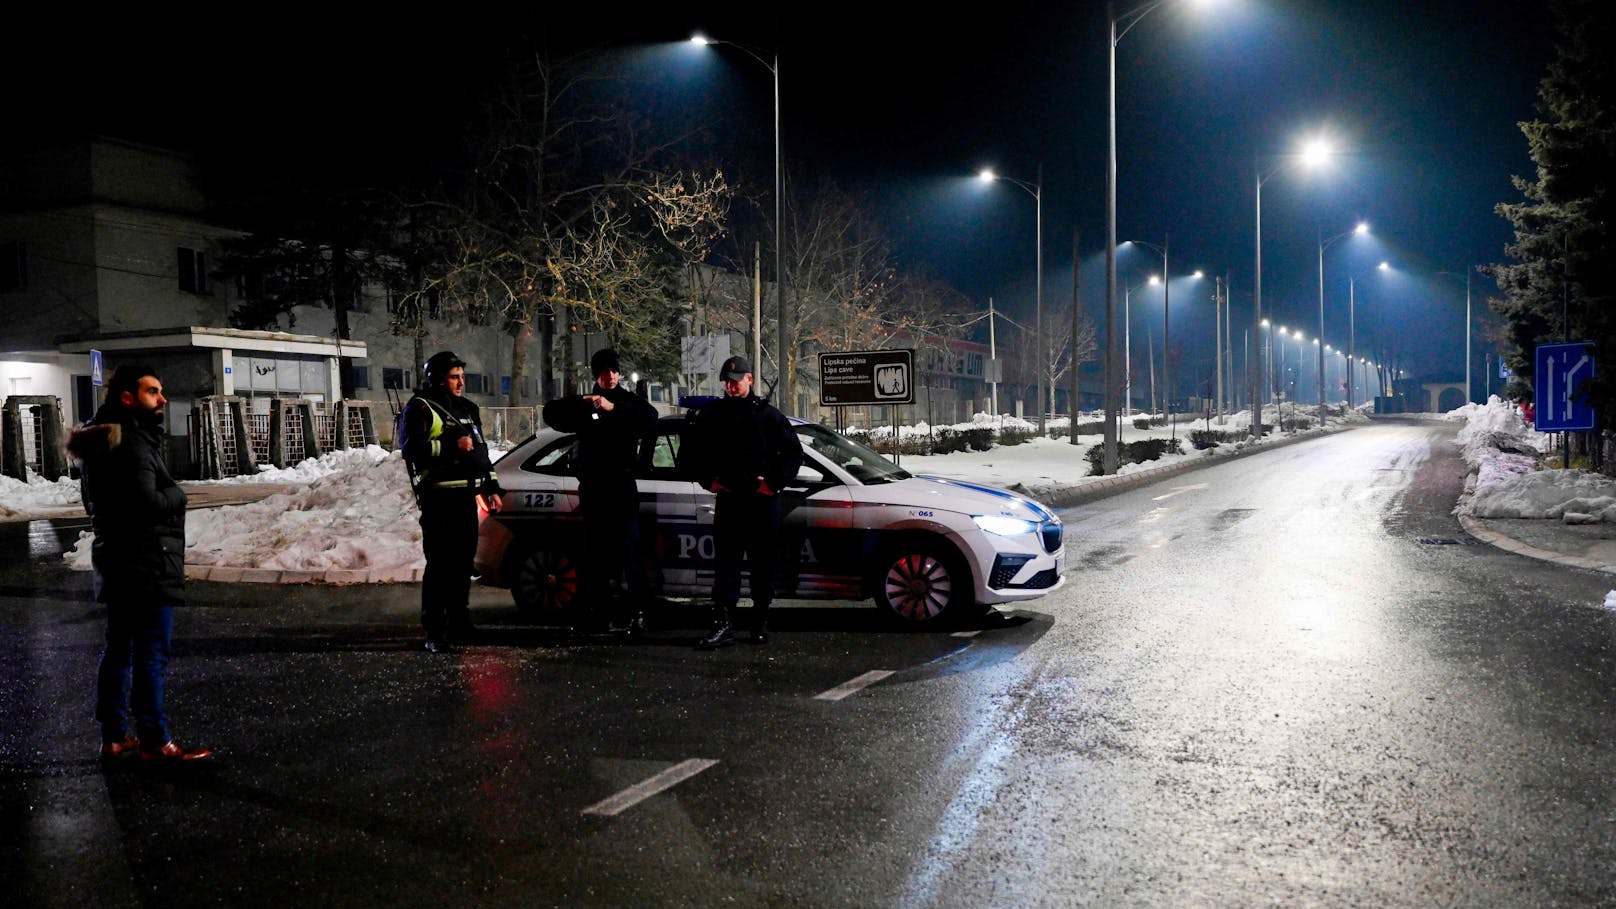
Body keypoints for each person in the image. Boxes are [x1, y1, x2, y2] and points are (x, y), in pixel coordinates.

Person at [66, 364, 213, 764]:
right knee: (150, 652)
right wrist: (178, 496)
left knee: (119, 650)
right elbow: (147, 502)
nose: (162, 399)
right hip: (145, 562)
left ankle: (114, 736)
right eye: (153, 392)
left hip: (117, 558)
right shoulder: (131, 443)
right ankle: (155, 740)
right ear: (128, 398)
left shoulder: (105, 441)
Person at [541, 348, 659, 635]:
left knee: (629, 550)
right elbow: (552, 413)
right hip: (594, 487)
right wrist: (583, 405)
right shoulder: (586, 403)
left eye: (615, 371)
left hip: (621, 485)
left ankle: (637, 612)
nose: (611, 376)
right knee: (593, 554)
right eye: (606, 372)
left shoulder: (627, 402)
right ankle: (595, 612)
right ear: (596, 375)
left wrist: (613, 409)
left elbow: (651, 417)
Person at [689, 355, 804, 648]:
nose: (731, 386)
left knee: (763, 566)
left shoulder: (768, 416)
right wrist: (708, 481)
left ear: (749, 379)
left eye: (736, 380)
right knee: (725, 567)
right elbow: (692, 453)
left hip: (761, 504)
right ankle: (723, 624)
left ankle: (759, 623)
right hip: (729, 502)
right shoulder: (713, 414)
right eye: (727, 382)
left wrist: (773, 483)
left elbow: (793, 454)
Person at [398, 351, 504, 653]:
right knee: (441, 565)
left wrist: (491, 485)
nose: (460, 382)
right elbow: (411, 449)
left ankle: (460, 623)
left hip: (465, 499)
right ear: (437, 379)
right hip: (439, 498)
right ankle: (434, 629)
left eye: (461, 376)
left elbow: (480, 452)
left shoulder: (468, 408)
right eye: (454, 377)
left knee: (461, 565)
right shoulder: (421, 407)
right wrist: (449, 444)